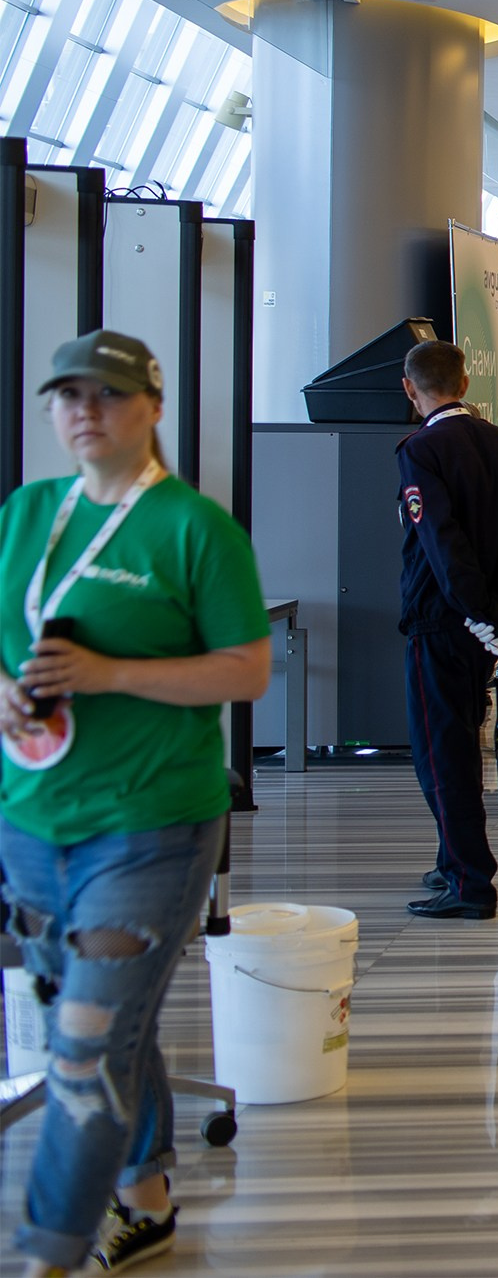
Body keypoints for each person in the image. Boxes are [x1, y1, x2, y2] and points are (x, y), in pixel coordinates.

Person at [0, 331, 271, 1275]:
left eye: (106, 394)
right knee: (106, 1016)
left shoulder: (194, 529)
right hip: (35, 816)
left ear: (151, 407)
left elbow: (249, 670)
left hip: (153, 821)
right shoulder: (29, 515)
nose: (83, 409)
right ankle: (146, 1191)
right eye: (66, 393)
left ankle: (45, 1254)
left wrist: (112, 672)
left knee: (81, 1046)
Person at [394, 338, 498, 917]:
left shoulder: (420, 450)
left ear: (412, 389)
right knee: (459, 741)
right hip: (483, 624)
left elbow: (439, 540)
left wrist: (476, 608)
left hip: (441, 620)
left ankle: (468, 880)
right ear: (464, 382)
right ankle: (450, 859)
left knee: (441, 752)